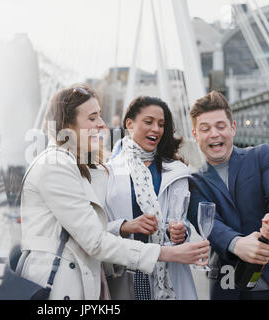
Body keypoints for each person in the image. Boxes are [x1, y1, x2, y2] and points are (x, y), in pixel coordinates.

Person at [19, 83, 210, 300]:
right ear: (67, 124)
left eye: (100, 116)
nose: (102, 124)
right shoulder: (55, 165)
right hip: (57, 286)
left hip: (81, 280)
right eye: (92, 118)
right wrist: (165, 253)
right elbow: (95, 241)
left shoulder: (81, 166)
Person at [187, 90, 269, 300]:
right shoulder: (193, 182)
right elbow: (209, 222)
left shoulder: (263, 155)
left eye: (221, 126)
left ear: (232, 128)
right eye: (205, 129)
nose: (214, 133)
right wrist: (236, 244)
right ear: (195, 135)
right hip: (230, 285)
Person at [105, 96, 198, 300]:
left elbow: (182, 222)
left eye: (161, 124)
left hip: (169, 273)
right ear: (129, 124)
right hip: (126, 273)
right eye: (148, 122)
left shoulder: (177, 172)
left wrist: (181, 232)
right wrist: (124, 226)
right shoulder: (108, 171)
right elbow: (97, 229)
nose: (156, 129)